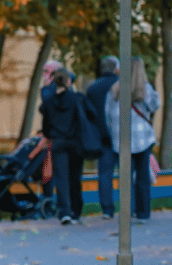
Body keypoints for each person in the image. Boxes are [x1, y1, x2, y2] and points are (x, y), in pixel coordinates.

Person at [105, 56, 160, 222]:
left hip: (121, 140)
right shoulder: (145, 89)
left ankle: (127, 211)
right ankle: (143, 213)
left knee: (125, 177)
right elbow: (155, 106)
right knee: (143, 176)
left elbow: (108, 115)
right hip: (142, 138)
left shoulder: (115, 90)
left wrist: (113, 133)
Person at [38, 69, 94, 224]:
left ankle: (64, 212)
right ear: (69, 81)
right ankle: (76, 210)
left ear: (54, 82)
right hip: (76, 143)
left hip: (58, 143)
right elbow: (92, 114)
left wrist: (50, 134)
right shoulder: (77, 99)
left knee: (61, 178)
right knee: (75, 177)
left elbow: (45, 125)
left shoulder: (49, 102)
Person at [84, 56, 120, 218]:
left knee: (105, 173)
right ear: (117, 69)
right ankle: (130, 207)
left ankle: (107, 209)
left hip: (102, 137)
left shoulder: (92, 88)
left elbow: (89, 114)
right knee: (127, 172)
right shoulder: (123, 85)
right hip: (121, 135)